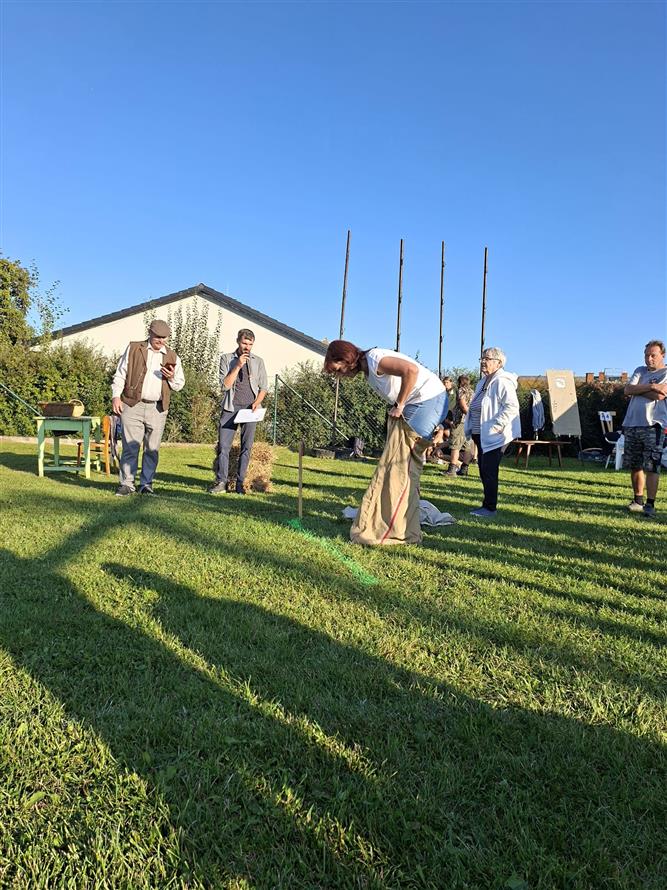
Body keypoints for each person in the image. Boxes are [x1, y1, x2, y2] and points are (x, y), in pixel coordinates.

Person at [324, 340, 448, 545]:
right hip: (423, 402)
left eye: (338, 370)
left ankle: (398, 528)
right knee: (400, 466)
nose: (340, 376)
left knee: (402, 466)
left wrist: (399, 405)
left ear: (346, 359)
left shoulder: (375, 359)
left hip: (427, 400)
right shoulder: (369, 370)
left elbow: (411, 370)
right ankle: (398, 520)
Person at [112, 319, 185, 496]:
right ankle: (127, 484)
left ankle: (146, 484)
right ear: (150, 333)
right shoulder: (134, 348)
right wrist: (116, 396)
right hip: (132, 404)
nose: (161, 341)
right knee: (130, 447)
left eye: (164, 338)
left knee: (152, 449)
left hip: (157, 408)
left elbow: (179, 385)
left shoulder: (173, 356)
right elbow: (120, 374)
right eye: (158, 337)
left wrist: (170, 377)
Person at [209, 329, 268, 495]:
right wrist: (238, 365)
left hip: (250, 409)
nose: (247, 347)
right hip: (230, 407)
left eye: (250, 344)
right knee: (224, 447)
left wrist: (257, 402)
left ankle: (240, 484)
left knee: (246, 447)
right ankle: (221, 482)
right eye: (244, 343)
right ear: (238, 342)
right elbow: (225, 385)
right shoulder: (226, 359)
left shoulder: (258, 361)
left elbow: (264, 387)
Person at [464, 347, 520, 517]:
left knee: (489, 469)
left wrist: (497, 425)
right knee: (483, 469)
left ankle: (489, 508)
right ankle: (487, 504)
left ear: (498, 363)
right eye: (482, 358)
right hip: (481, 434)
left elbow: (512, 406)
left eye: (487, 358)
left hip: (495, 435)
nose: (483, 361)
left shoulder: (502, 381)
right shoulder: (482, 382)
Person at [622, 340, 667, 518]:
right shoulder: (640, 370)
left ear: (662, 355)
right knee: (635, 464)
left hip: (653, 425)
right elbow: (627, 389)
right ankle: (638, 501)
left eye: (653, 355)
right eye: (646, 355)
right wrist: (651, 386)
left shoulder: (666, 373)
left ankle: (650, 504)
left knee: (652, 465)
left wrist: (638, 389)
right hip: (632, 423)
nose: (649, 359)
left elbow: (660, 396)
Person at [445, 373, 474, 476]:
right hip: (469, 422)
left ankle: (451, 470)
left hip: (460, 421)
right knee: (467, 446)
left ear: (460, 382)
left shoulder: (461, 390)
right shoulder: (472, 392)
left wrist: (466, 415)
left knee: (455, 445)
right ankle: (464, 469)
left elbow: (462, 405)